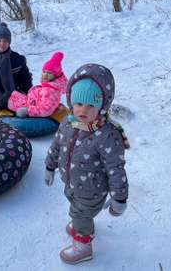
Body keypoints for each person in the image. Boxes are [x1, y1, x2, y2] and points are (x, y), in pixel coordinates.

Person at [44, 63, 130, 264]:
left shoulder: (107, 134)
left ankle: (83, 246)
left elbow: (116, 169)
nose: (83, 110)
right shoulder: (68, 123)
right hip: (72, 183)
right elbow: (56, 145)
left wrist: (120, 199)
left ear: (103, 106)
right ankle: (81, 222)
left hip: (93, 189)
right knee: (76, 208)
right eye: (78, 103)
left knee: (80, 213)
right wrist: (49, 166)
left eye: (91, 105)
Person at [8, 51, 68, 117]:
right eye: (44, 72)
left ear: (55, 76)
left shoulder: (50, 91)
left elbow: (45, 110)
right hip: (28, 103)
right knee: (7, 96)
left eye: (49, 73)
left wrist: (27, 111)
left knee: (4, 100)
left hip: (29, 108)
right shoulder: (48, 87)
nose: (45, 75)